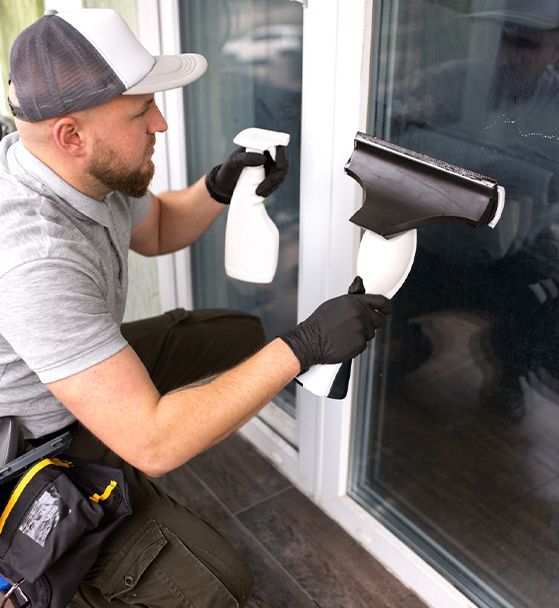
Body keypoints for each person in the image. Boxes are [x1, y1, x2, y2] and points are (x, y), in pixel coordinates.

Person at [0, 8, 391, 607]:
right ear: (71, 135)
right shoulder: (35, 259)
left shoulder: (77, 170)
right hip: (33, 450)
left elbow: (156, 229)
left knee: (236, 337)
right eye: (140, 113)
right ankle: (59, 571)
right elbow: (154, 444)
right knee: (216, 585)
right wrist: (304, 347)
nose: (159, 121)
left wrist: (219, 185)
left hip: (70, 388)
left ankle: (124, 451)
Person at [386, 0, 559, 421]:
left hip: (516, 254)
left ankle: (511, 366)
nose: (512, 53)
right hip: (431, 244)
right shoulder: (449, 80)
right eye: (503, 38)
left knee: (548, 306)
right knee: (369, 294)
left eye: (529, 43)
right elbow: (387, 130)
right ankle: (405, 343)